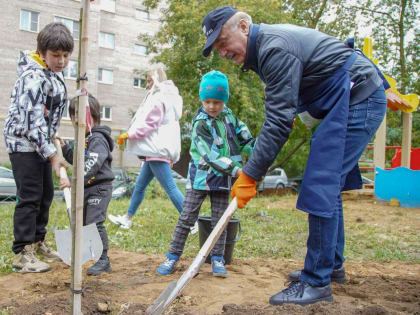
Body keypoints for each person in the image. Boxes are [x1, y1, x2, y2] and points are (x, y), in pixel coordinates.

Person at [201, 6, 388, 306]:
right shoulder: (265, 51)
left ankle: (316, 283)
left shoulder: (274, 48)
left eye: (224, 42)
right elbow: (282, 113)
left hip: (358, 99)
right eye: (217, 49)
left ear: (244, 27)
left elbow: (278, 121)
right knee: (327, 183)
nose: (222, 52)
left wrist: (250, 175)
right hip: (349, 99)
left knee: (321, 182)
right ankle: (331, 267)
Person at [156, 70, 255, 277]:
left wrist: (258, 153)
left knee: (220, 220)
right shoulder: (200, 122)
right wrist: (237, 170)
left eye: (217, 102)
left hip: (222, 180)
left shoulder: (231, 118)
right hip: (201, 178)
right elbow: (210, 155)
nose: (211, 106)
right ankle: (172, 256)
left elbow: (246, 139)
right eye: (207, 101)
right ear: (202, 99)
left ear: (224, 100)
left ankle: (217, 258)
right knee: (187, 218)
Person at [3, 22, 74, 273]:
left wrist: (53, 134)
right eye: (56, 55)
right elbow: (31, 125)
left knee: (45, 195)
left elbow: (45, 113)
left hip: (41, 143)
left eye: (66, 56)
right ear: (42, 52)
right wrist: (54, 157)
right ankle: (22, 252)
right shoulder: (32, 77)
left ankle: (37, 241)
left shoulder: (53, 73)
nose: (62, 61)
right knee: (30, 196)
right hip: (23, 144)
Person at [108, 68, 193, 231]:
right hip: (155, 151)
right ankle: (127, 218)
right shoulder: (167, 96)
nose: (147, 85)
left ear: (157, 80)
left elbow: (150, 123)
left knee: (170, 187)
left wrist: (130, 134)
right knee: (140, 186)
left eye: (149, 81)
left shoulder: (160, 98)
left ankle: (191, 222)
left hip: (156, 151)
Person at [59, 94, 115, 276]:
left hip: (99, 189)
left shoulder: (97, 139)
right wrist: (63, 147)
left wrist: (72, 179)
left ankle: (103, 259)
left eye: (78, 121)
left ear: (89, 118)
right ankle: (90, 254)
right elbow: (77, 159)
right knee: (83, 224)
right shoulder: (86, 139)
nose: (76, 125)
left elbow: (92, 164)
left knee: (94, 223)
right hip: (87, 188)